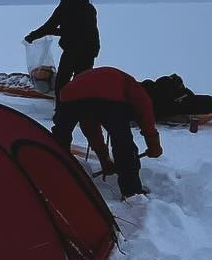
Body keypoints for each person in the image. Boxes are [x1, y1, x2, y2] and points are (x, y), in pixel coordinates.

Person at [52, 65, 162, 199]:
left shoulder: (113, 80)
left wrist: (104, 159)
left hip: (69, 95)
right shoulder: (137, 89)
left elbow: (91, 128)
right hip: (106, 97)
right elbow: (146, 114)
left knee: (60, 139)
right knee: (123, 145)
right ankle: (132, 193)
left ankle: (52, 177)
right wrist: (153, 143)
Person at [25, 0, 100, 97]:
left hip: (72, 51)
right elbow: (77, 31)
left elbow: (50, 26)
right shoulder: (89, 9)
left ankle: (61, 104)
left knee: (62, 82)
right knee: (81, 81)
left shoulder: (64, 8)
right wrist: (49, 32)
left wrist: (32, 36)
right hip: (90, 51)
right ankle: (78, 103)